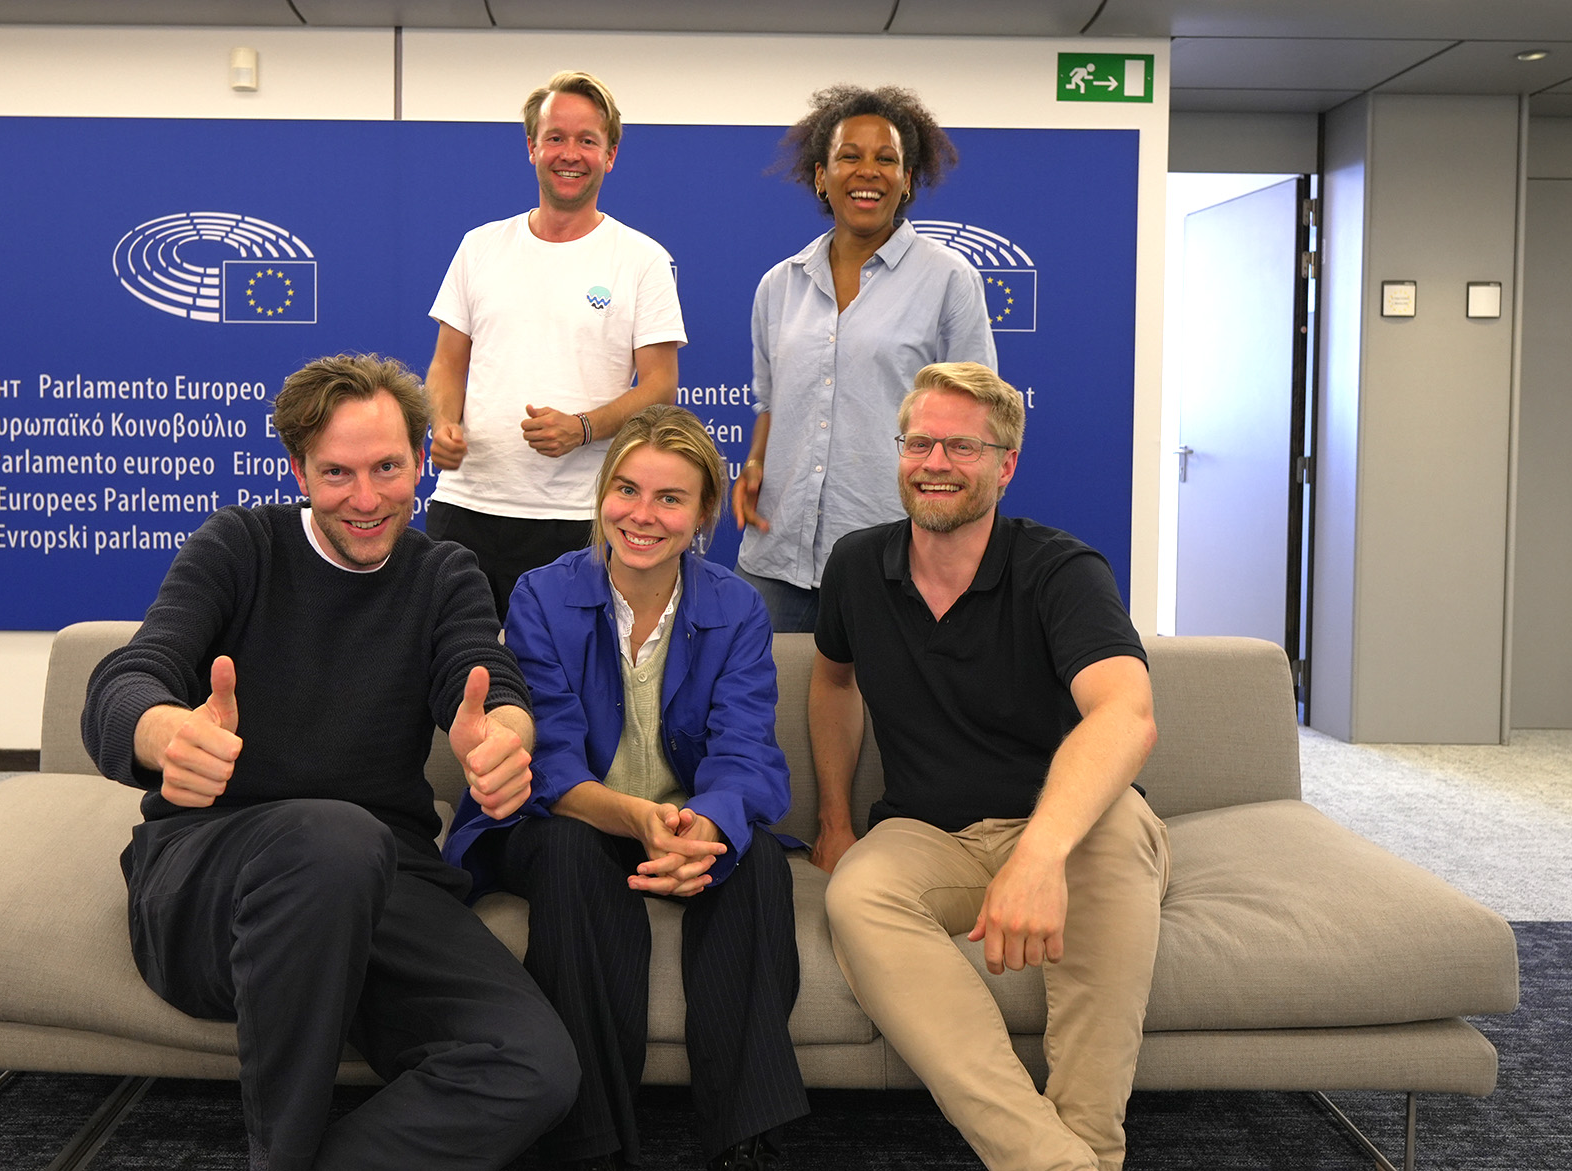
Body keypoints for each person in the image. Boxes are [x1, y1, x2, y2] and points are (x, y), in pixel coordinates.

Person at [81, 353, 579, 1171]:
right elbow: (127, 677)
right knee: (332, 837)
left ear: (420, 460)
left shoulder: (443, 571)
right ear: (298, 471)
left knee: (534, 1066)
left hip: (380, 879)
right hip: (217, 880)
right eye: (337, 473)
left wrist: (502, 739)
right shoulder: (240, 545)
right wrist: (164, 732)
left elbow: (490, 684)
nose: (368, 497)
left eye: (388, 467)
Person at [808, 362, 1168, 1171]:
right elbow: (832, 679)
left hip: (1075, 827)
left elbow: (1126, 713)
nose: (935, 461)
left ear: (1005, 465)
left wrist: (1041, 854)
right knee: (858, 892)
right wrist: (834, 817)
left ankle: (1088, 1146)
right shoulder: (858, 566)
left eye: (962, 446)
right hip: (929, 831)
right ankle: (1051, 1160)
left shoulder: (1060, 569)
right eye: (920, 442)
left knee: (1112, 844)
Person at [444, 404, 808, 1171]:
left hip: (681, 823)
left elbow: (745, 756)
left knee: (758, 866)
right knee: (574, 853)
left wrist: (702, 827)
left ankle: (748, 1137)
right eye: (628, 490)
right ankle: (591, 1142)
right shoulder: (542, 595)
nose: (642, 515)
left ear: (705, 511)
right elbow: (551, 765)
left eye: (670, 498)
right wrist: (638, 818)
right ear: (603, 493)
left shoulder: (737, 607)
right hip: (565, 820)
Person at [426, 69, 688, 620]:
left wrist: (585, 426)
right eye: (556, 138)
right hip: (469, 505)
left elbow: (661, 386)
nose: (570, 153)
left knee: (572, 686)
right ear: (532, 148)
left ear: (610, 154)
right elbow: (447, 363)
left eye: (587, 140)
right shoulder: (479, 247)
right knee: (458, 676)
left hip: (582, 514)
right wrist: (443, 423)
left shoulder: (641, 259)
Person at [735, 84, 997, 633]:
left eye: (887, 159)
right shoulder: (778, 285)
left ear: (907, 181)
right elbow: (770, 402)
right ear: (820, 175)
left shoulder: (950, 281)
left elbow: (980, 423)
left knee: (885, 715)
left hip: (893, 558)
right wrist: (756, 464)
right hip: (776, 553)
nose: (867, 171)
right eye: (849, 156)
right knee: (765, 713)